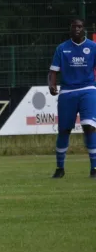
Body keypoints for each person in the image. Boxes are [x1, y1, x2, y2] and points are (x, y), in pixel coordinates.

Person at [48, 18, 96, 178]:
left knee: (89, 126)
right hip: (67, 92)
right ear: (70, 29)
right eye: (74, 26)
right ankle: (59, 168)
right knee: (64, 130)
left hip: (88, 90)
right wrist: (52, 85)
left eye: (80, 26)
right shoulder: (62, 48)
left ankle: (94, 168)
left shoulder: (93, 47)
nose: (77, 29)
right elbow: (53, 71)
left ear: (84, 29)